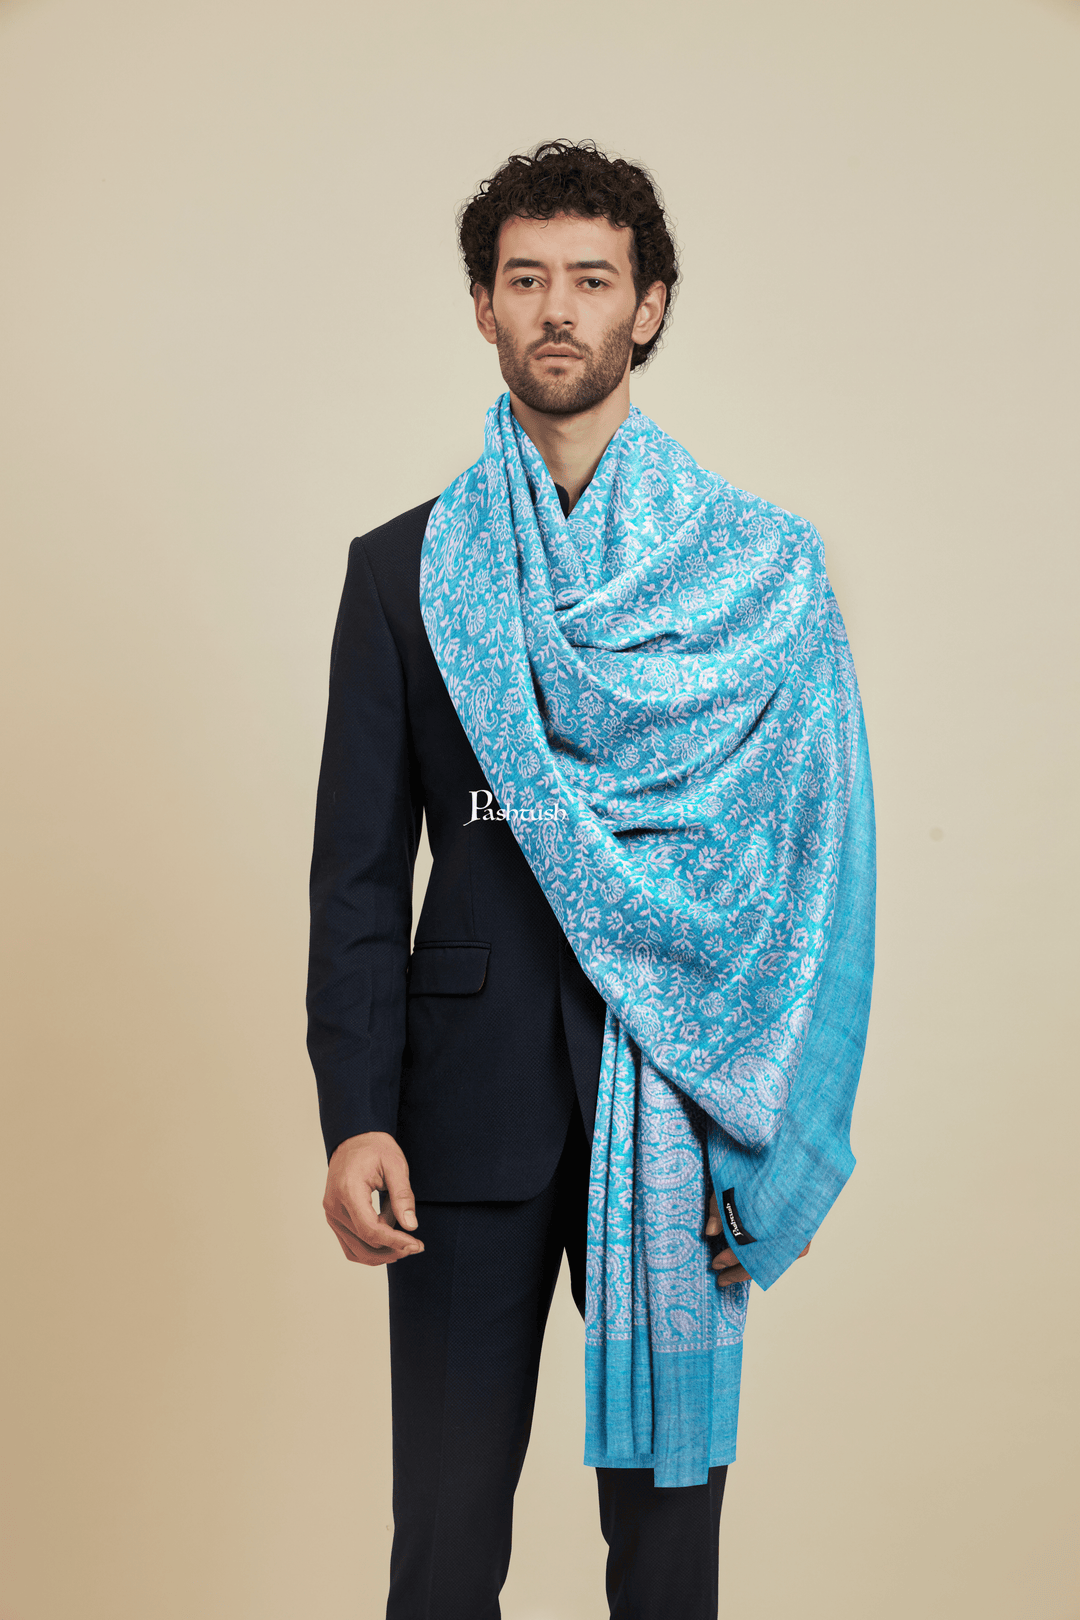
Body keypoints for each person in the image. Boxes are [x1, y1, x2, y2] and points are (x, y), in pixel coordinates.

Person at [307, 139, 876, 1620]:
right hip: (459, 1113)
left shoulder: (755, 572)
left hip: (685, 1108)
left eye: (591, 279)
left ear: (650, 305)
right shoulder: (403, 571)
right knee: (443, 1546)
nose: (557, 308)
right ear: (482, 308)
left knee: (670, 1564)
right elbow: (358, 877)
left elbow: (809, 861)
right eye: (525, 279)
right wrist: (356, 1111)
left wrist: (767, 1121)